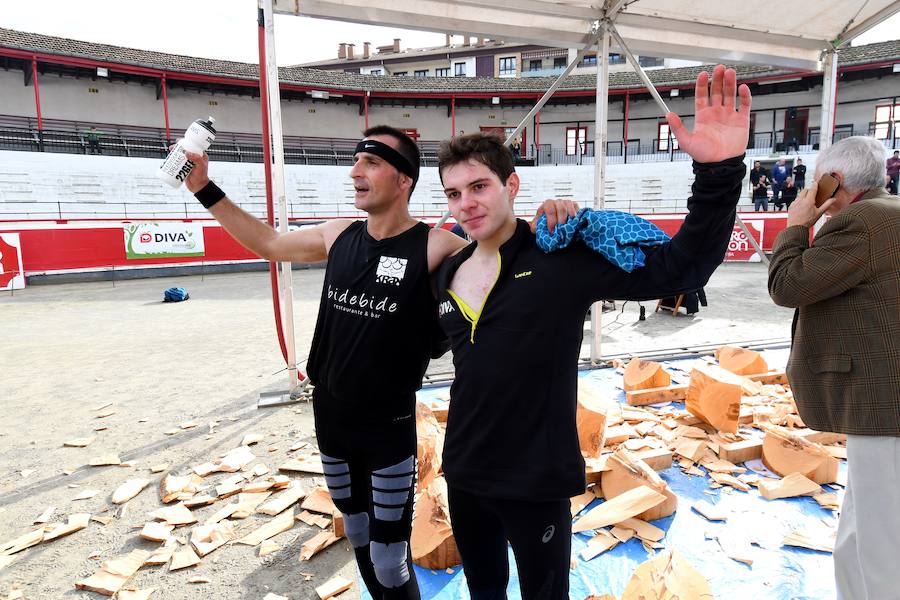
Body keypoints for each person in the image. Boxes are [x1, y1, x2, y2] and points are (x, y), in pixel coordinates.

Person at [180, 126, 567, 600]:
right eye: (356, 160)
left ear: (403, 180)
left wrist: (551, 219)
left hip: (388, 429)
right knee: (358, 534)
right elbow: (269, 244)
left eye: (370, 163)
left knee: (389, 558)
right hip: (330, 420)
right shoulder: (339, 234)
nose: (355, 172)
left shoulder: (437, 246)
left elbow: (505, 260)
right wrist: (204, 188)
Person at [435, 64, 750, 599]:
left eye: (479, 186)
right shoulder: (451, 270)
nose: (466, 203)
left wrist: (718, 174)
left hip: (535, 479)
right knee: (483, 591)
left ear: (511, 184)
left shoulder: (561, 254)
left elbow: (683, 268)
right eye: (452, 193)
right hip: (464, 472)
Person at [768, 135, 900, 600]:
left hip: (883, 406)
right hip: (882, 406)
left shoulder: (863, 221)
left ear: (834, 180)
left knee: (881, 545)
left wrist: (796, 225)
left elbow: (787, 284)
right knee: (858, 530)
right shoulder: (890, 213)